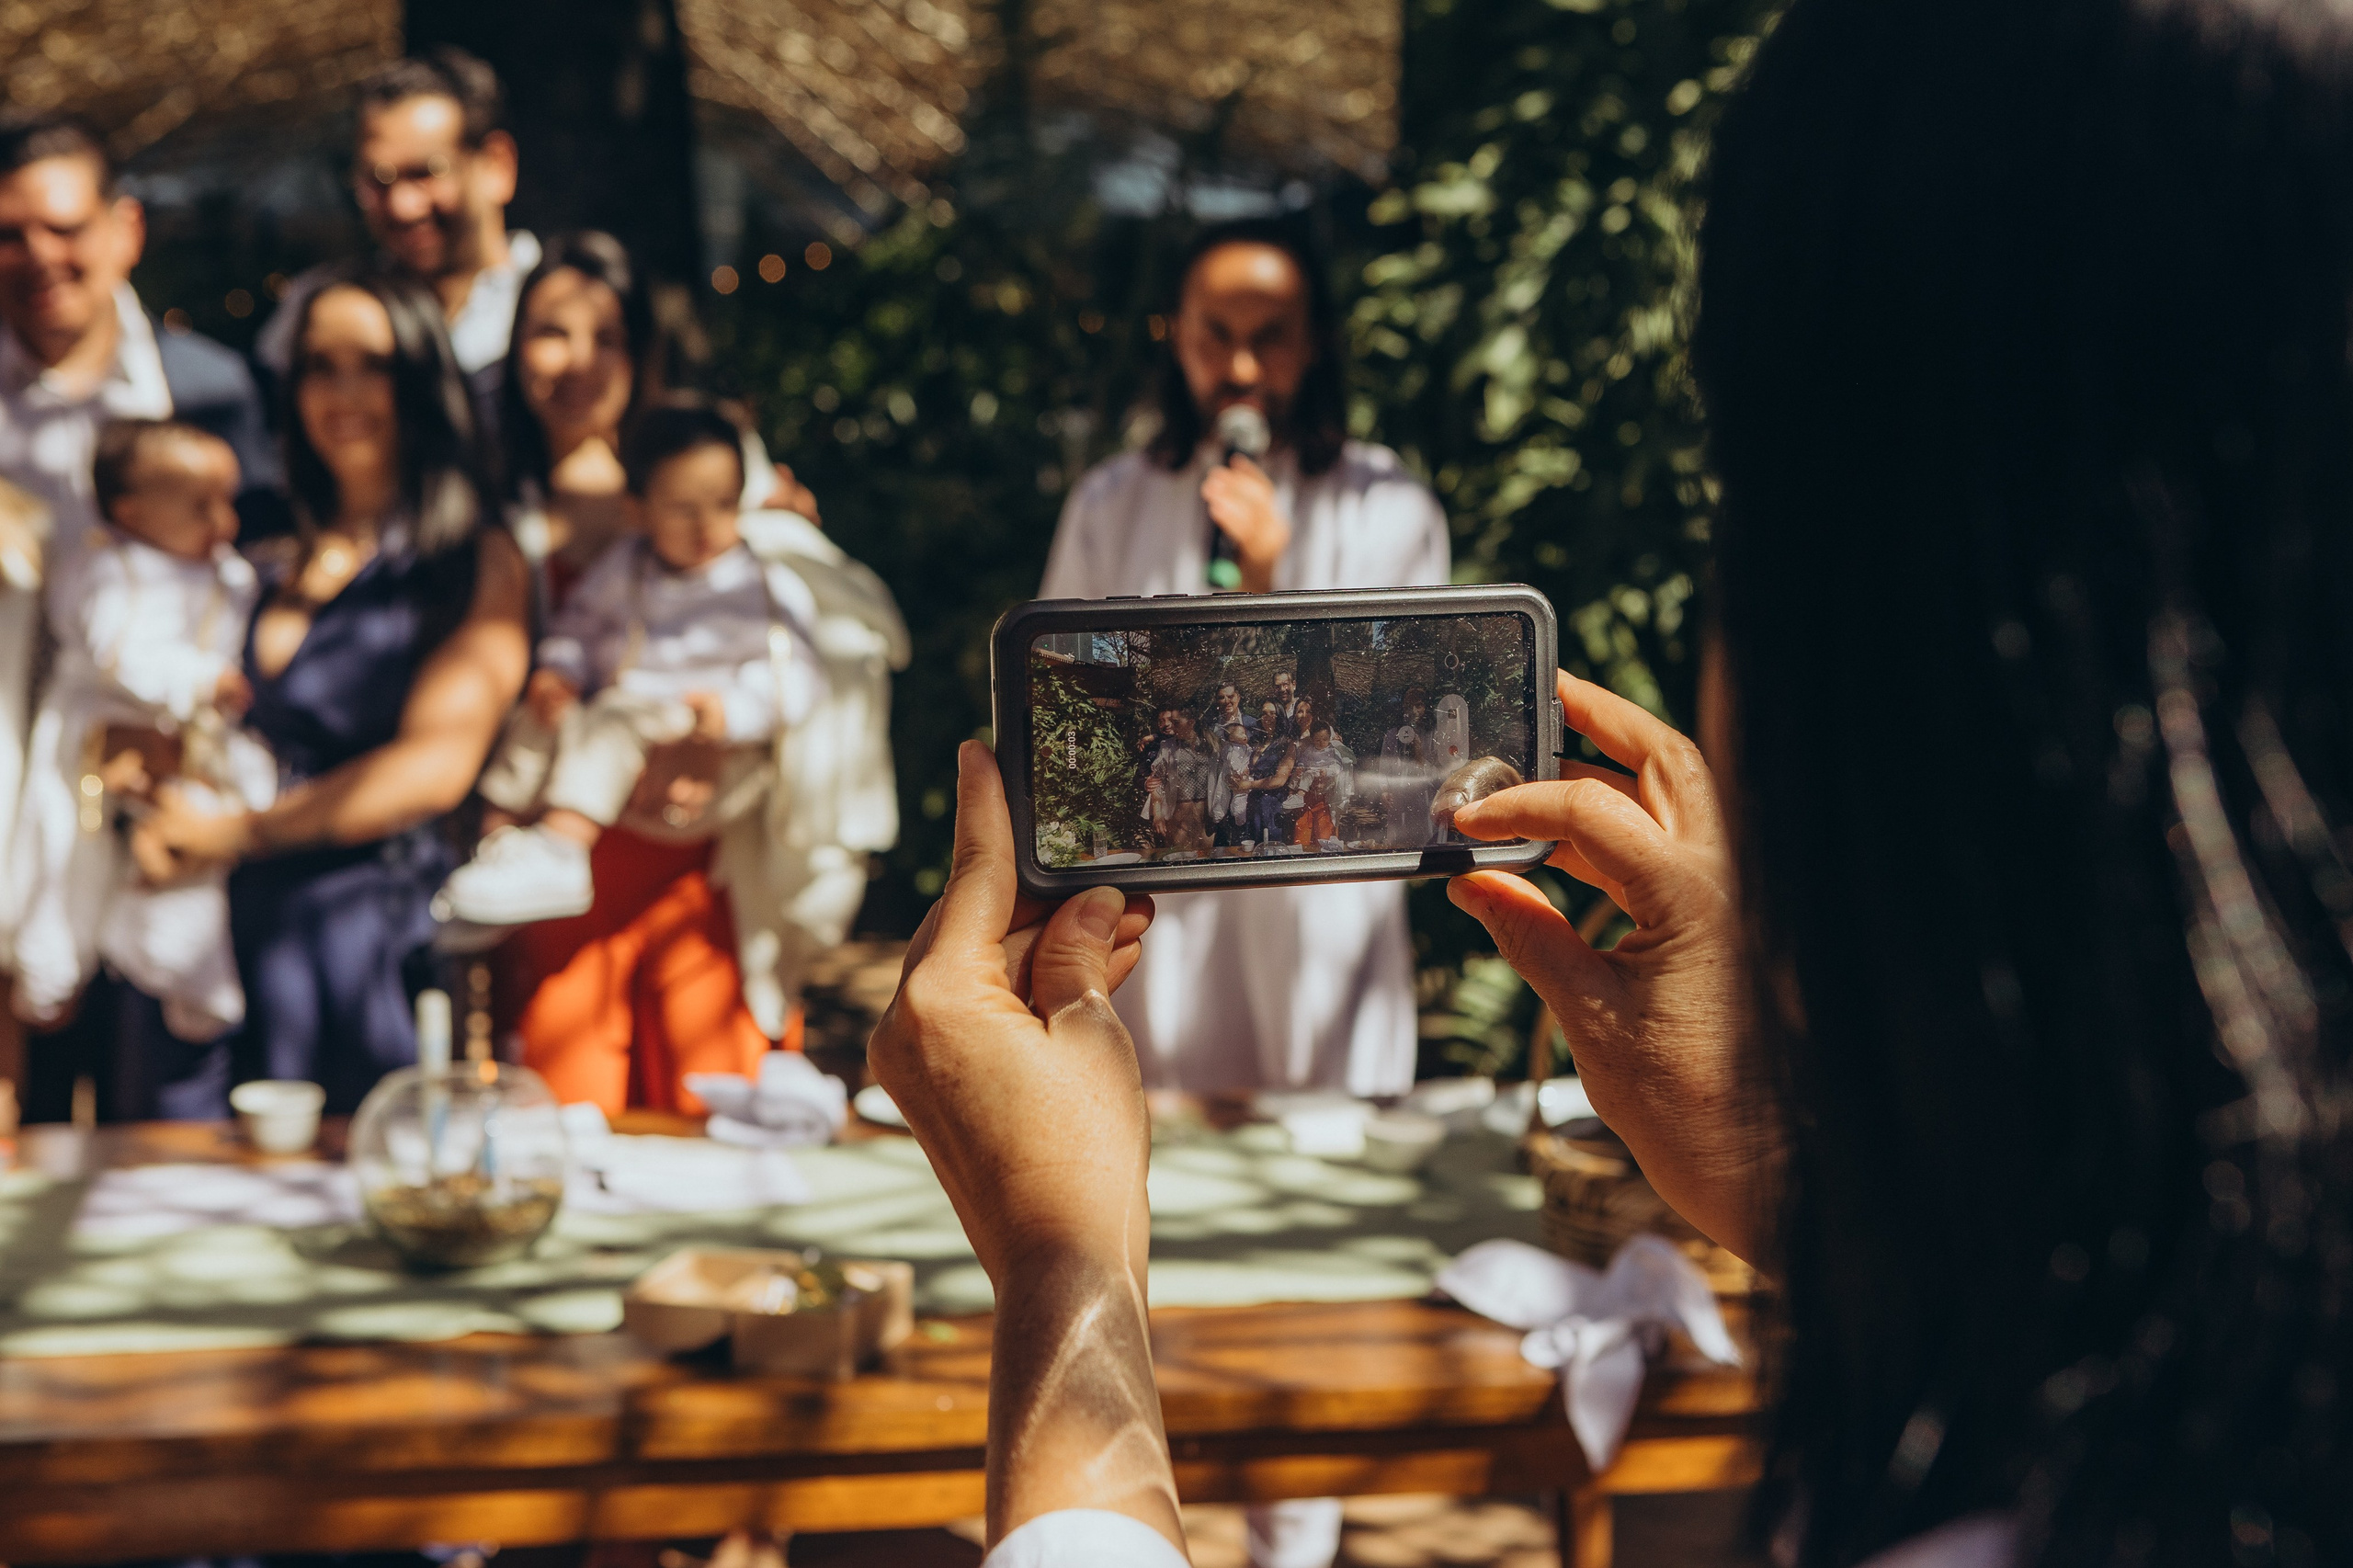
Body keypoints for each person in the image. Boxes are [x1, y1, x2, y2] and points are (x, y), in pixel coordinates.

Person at [874, 1, 2353, 1562]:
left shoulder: (1380, 495)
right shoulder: (1120, 491)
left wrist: (1065, 1262)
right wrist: (1801, 1189)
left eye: (1753, 496)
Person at [1040, 218, 1447, 1131]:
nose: (1242, 368)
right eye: (1215, 334)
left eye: (1270, 335)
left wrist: (1272, 586)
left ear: (1315, 343)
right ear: (1173, 335)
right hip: (1163, 905)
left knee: (1324, 1161)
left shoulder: (1389, 505)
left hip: (1319, 910)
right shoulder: (1112, 499)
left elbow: (1398, 724)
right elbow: (1065, 701)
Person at [481, 239, 902, 1118]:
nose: (578, 360)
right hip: (574, 875)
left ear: (645, 352)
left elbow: (829, 659)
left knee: (711, 1107)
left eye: (609, 336)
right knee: (568, 1105)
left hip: (705, 871)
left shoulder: (729, 486)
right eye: (551, 332)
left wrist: (728, 740)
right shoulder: (490, 503)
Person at [142, 275, 529, 1115]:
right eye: (320, 366)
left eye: (373, 366)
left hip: (359, 937)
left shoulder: (475, 557)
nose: (342, 392)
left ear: (424, 383)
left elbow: (435, 766)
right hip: (209, 932)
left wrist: (235, 833)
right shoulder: (263, 546)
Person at [437, 401, 820, 927]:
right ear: (636, 510)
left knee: (614, 719)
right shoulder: (627, 566)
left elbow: (797, 677)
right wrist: (560, 672)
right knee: (536, 722)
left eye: (725, 503)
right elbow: (579, 625)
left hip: (715, 748)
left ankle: (561, 851)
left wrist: (730, 714)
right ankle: (495, 859)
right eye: (683, 508)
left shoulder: (765, 584)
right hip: (622, 737)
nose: (706, 524)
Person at [5, 420, 272, 1046]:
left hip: (189, 746)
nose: (222, 521)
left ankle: (187, 973)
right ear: (132, 511)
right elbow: (115, 652)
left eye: (227, 501)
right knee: (67, 858)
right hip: (94, 746)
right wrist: (196, 682)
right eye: (199, 505)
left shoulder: (223, 572)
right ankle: (50, 971)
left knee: (187, 850)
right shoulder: (108, 569)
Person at [256, 49, 535, 450]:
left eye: (426, 173)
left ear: (497, 165)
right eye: (378, 180)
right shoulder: (319, 317)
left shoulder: (557, 315)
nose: (402, 206)